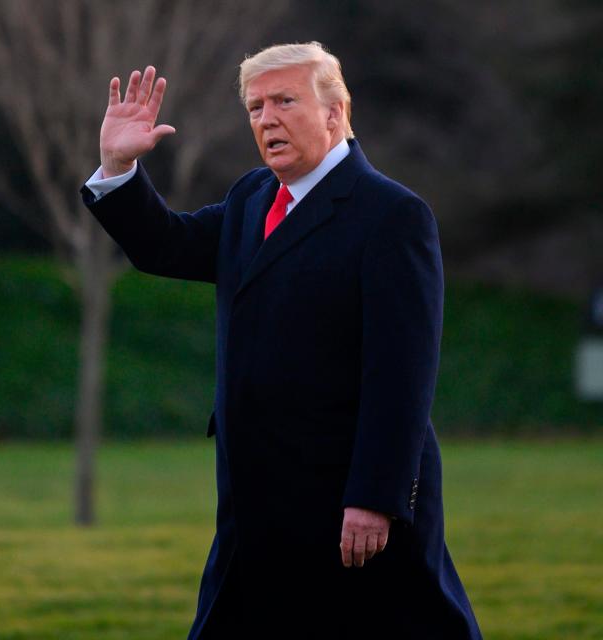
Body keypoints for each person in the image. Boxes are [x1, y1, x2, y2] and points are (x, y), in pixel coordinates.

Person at [80, 42, 482, 639]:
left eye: (285, 101)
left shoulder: (392, 215)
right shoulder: (252, 197)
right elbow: (166, 245)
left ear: (336, 112)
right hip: (254, 497)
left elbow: (403, 374)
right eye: (255, 106)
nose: (266, 119)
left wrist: (374, 497)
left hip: (349, 504)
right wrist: (118, 168)